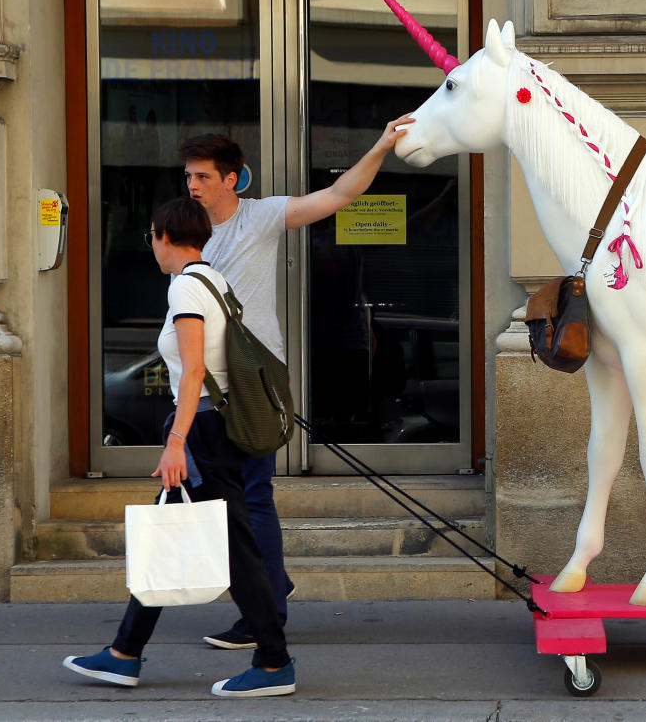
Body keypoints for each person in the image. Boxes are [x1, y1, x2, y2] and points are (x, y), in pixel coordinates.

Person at [180, 114, 414, 649]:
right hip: (203, 383)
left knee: (251, 496)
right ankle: (269, 593)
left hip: (250, 380)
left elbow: (338, 194)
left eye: (203, 177)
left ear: (233, 179)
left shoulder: (258, 217)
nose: (192, 186)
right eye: (189, 177)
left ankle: (266, 612)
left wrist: (380, 144)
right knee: (223, 498)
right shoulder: (182, 228)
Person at [63, 198, 296, 697]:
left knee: (237, 550)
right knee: (177, 535)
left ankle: (274, 663)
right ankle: (124, 653)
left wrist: (175, 441)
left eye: (151, 234)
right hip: (211, 431)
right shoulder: (213, 279)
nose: (150, 243)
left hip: (203, 433)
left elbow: (194, 372)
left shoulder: (188, 287)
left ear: (165, 236)